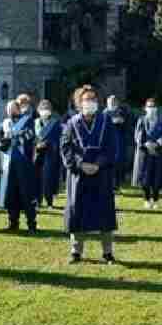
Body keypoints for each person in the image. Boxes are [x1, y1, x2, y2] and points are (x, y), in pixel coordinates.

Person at [62, 85, 119, 264]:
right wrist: (80, 164)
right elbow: (66, 148)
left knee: (104, 212)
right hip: (79, 175)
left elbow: (112, 146)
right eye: (86, 99)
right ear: (79, 102)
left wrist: (98, 164)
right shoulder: (71, 123)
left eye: (93, 99)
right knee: (77, 212)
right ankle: (76, 251)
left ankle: (107, 252)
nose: (90, 102)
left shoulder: (106, 121)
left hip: (101, 174)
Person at [0, 99, 38, 233]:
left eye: (13, 108)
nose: (11, 111)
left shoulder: (28, 121)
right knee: (11, 193)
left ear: (18, 109)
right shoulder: (3, 123)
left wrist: (14, 138)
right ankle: (13, 222)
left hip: (24, 164)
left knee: (26, 194)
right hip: (8, 165)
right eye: (8, 109)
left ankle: (31, 224)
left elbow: (30, 135)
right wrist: (6, 142)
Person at [133, 98, 162, 209]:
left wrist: (157, 143)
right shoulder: (141, 120)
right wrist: (146, 144)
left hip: (158, 152)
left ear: (157, 108)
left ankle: (156, 199)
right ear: (145, 108)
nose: (151, 109)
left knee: (157, 177)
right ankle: (146, 199)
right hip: (145, 152)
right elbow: (138, 135)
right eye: (149, 106)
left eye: (153, 106)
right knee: (145, 178)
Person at [35, 99, 63, 209]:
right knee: (37, 177)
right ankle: (37, 200)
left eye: (47, 108)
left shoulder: (56, 123)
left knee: (48, 178)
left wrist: (48, 143)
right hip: (37, 153)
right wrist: (36, 145)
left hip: (50, 153)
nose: (45, 110)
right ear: (38, 110)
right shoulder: (35, 123)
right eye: (43, 108)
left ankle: (49, 201)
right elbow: (32, 138)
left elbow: (59, 138)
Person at [104, 95, 131, 190]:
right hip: (107, 141)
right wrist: (112, 121)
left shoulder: (121, 112)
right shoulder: (105, 113)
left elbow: (128, 125)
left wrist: (122, 121)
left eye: (114, 102)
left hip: (119, 141)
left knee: (119, 161)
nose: (112, 103)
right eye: (110, 102)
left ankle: (117, 183)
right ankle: (108, 183)